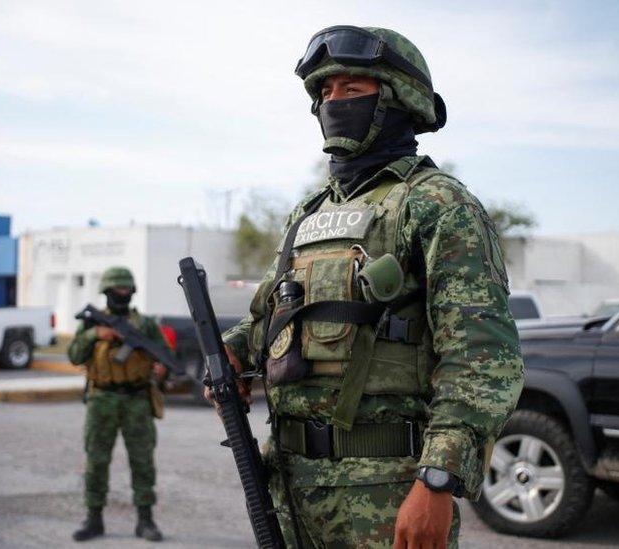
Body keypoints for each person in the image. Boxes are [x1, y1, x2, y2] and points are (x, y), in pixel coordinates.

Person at [218, 26, 525, 548]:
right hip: (290, 485)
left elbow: (481, 355)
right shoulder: (308, 214)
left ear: (398, 100)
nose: (333, 101)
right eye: (325, 92)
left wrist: (437, 479)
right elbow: (275, 314)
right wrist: (234, 349)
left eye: (352, 90)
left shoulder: (437, 203)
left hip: (386, 487)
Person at [68, 266, 167, 542]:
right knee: (96, 460)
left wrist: (163, 371)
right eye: (117, 289)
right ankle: (93, 518)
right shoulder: (92, 324)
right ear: (107, 292)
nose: (122, 294)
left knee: (143, 461)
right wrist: (95, 335)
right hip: (102, 399)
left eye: (126, 289)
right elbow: (75, 356)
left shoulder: (145, 325)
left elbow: (163, 356)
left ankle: (145, 520)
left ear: (133, 292)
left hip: (137, 398)